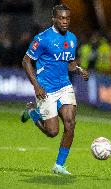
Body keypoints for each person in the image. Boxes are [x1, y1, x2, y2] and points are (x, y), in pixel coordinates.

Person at [20, 4, 89, 175]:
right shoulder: (42, 38)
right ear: (54, 19)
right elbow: (26, 61)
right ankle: (33, 112)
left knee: (70, 124)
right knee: (52, 132)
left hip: (65, 86)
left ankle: (59, 165)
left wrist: (79, 69)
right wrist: (36, 86)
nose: (65, 21)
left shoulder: (72, 38)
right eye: (62, 18)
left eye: (67, 18)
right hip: (46, 89)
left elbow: (69, 62)